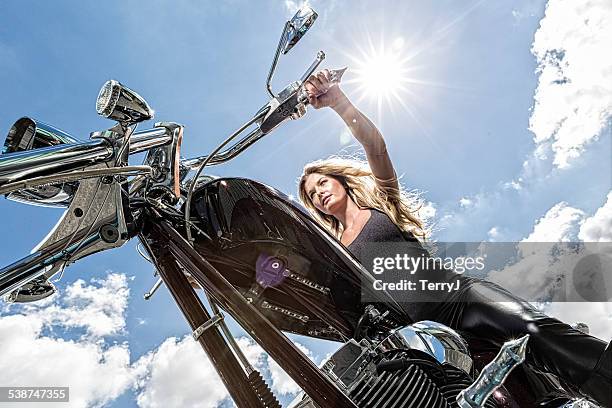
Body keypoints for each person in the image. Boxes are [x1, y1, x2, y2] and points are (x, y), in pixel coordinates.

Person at [298, 69, 612, 406]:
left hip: (460, 300)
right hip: (420, 340)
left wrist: (337, 102)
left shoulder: (381, 204)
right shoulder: (338, 252)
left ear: (340, 181)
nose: (318, 194)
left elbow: (376, 147)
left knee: (535, 331)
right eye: (312, 195)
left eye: (322, 184)